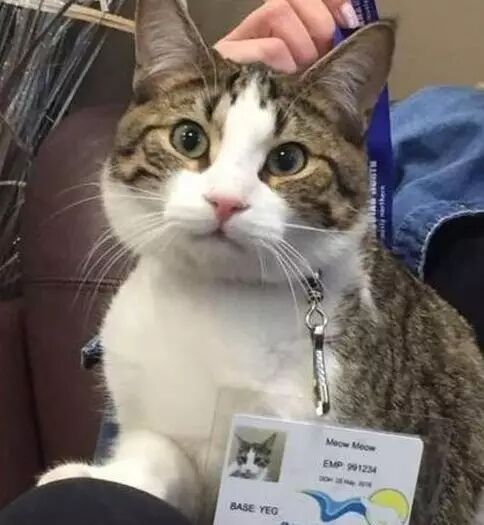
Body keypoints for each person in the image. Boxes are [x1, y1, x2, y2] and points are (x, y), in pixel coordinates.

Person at [2, 1, 483, 523]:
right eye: (190, 140)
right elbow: (171, 451)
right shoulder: (137, 316)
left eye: (285, 160)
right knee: (72, 508)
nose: (227, 196)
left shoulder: (365, 315)